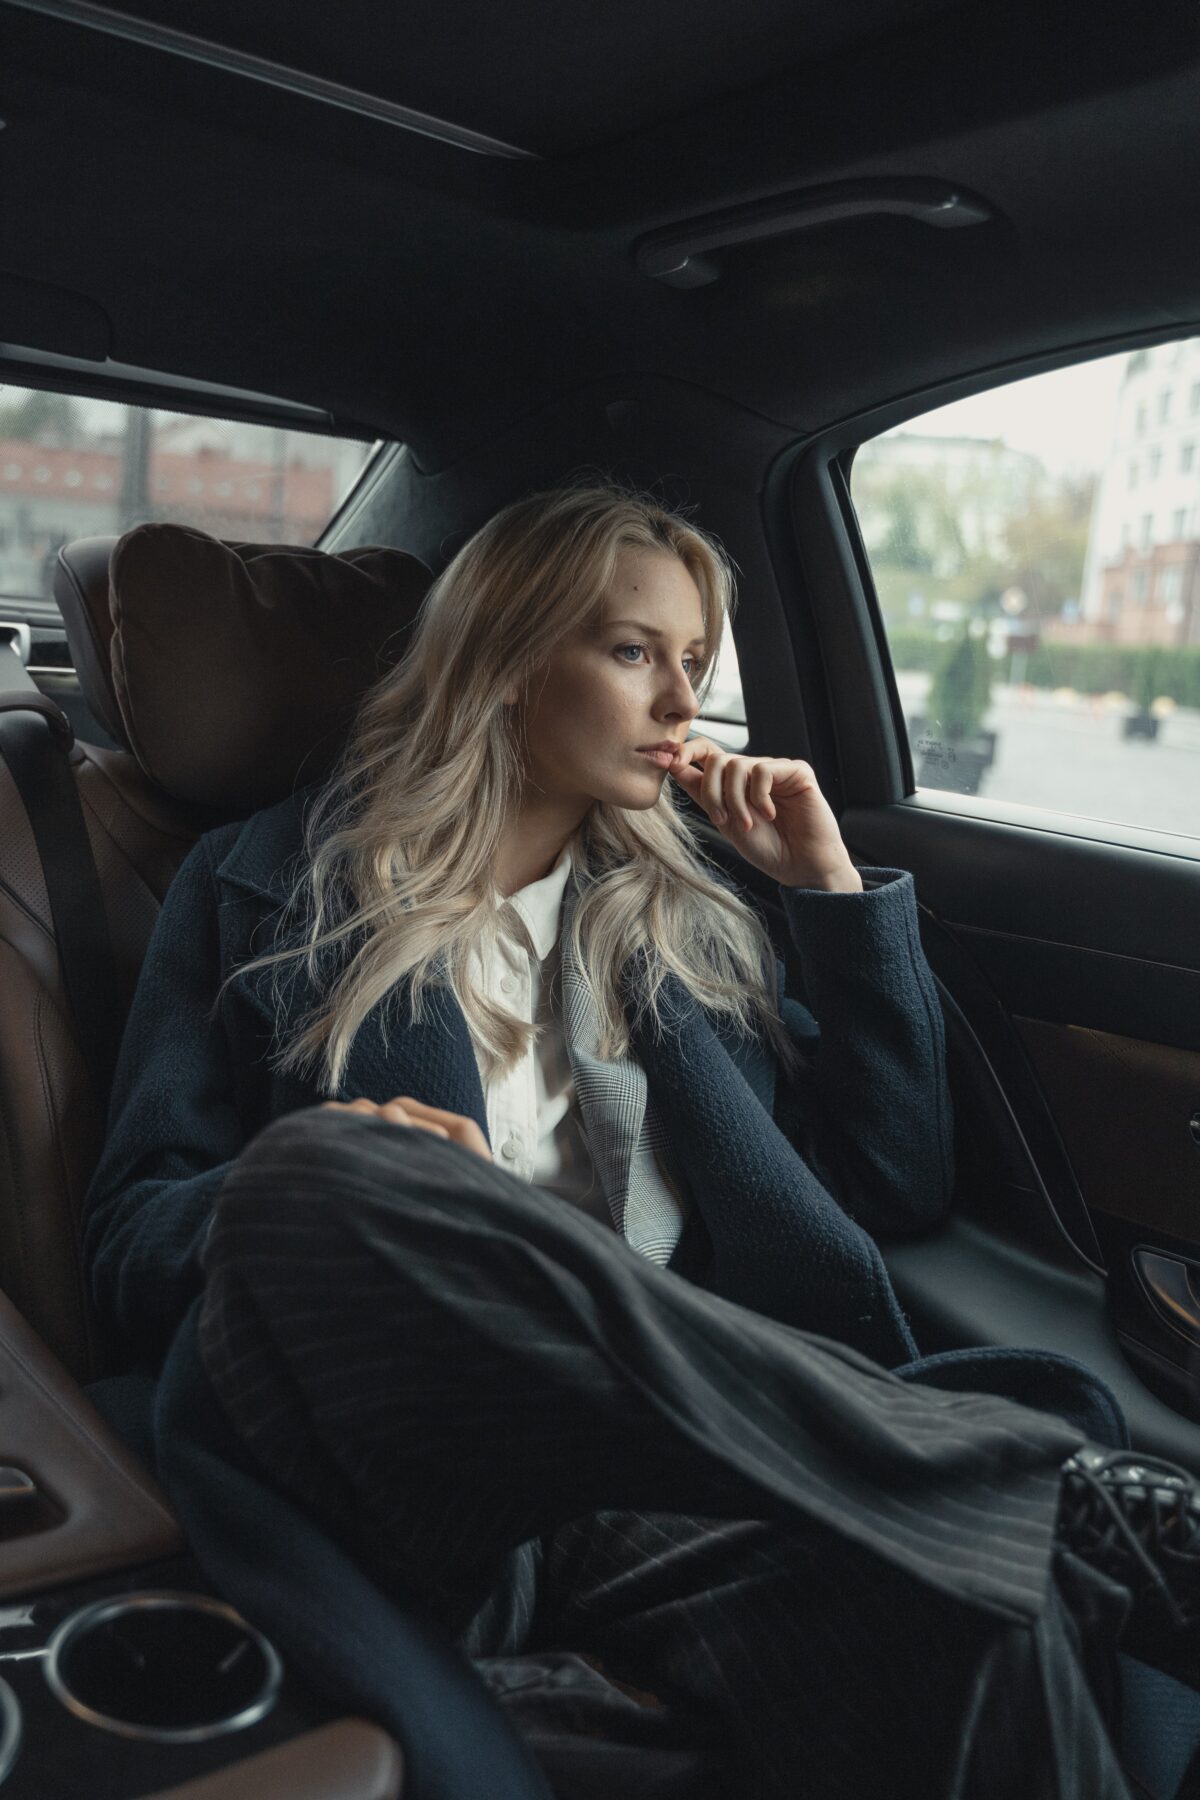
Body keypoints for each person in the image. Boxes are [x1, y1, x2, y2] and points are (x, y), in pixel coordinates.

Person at [84, 483, 1200, 1800]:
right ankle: (1022, 1479)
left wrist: (829, 899)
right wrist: (365, 1158)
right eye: (632, 653)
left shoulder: (684, 918)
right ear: (501, 661)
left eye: (693, 664)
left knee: (985, 1615)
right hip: (405, 1446)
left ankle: (989, 1500)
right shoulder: (253, 880)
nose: (682, 704)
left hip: (663, 1474)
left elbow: (887, 1185)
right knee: (328, 1171)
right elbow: (127, 1243)